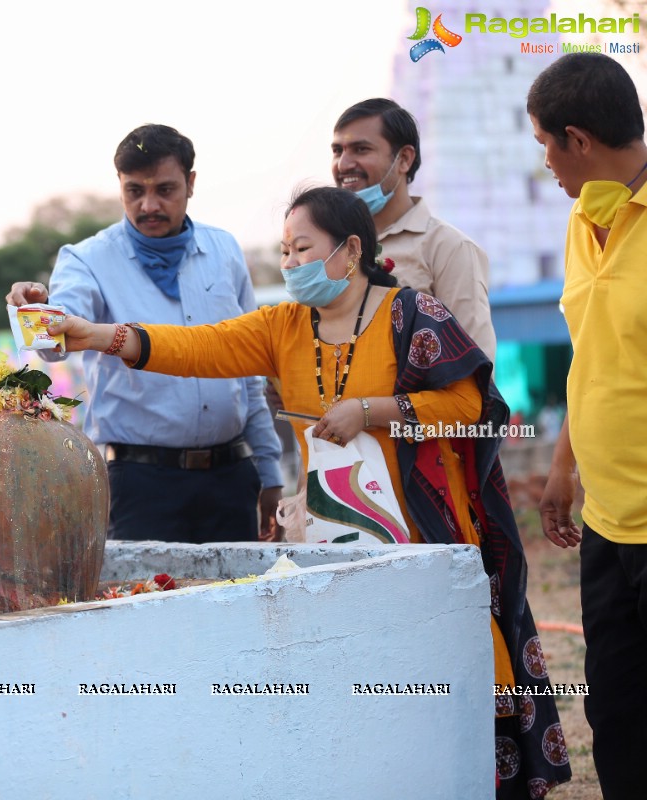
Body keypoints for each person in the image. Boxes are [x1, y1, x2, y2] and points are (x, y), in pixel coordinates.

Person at [54, 186, 571, 798]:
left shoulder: (414, 315)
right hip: (335, 541)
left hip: (426, 539)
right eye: (284, 251)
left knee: (440, 687)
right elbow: (199, 347)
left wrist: (370, 410)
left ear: (350, 250)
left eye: (304, 248)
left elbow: (468, 406)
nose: (291, 263)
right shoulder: (282, 326)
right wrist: (98, 335)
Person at [6, 123, 283, 543]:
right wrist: (37, 309)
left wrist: (269, 472)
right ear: (119, 187)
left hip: (232, 478)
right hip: (140, 485)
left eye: (164, 190)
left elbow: (250, 369)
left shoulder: (224, 250)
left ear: (191, 183)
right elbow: (57, 342)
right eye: (134, 191)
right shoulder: (86, 259)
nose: (148, 205)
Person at [529, 52, 647, 800]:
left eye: (544, 145)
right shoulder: (584, 218)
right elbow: (591, 355)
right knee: (618, 716)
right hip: (608, 525)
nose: (545, 164)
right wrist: (565, 467)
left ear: (577, 138)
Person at [333, 98, 497, 360]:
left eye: (361, 149)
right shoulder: (330, 248)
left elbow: (474, 368)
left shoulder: (449, 248)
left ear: (404, 159)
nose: (343, 165)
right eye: (338, 151)